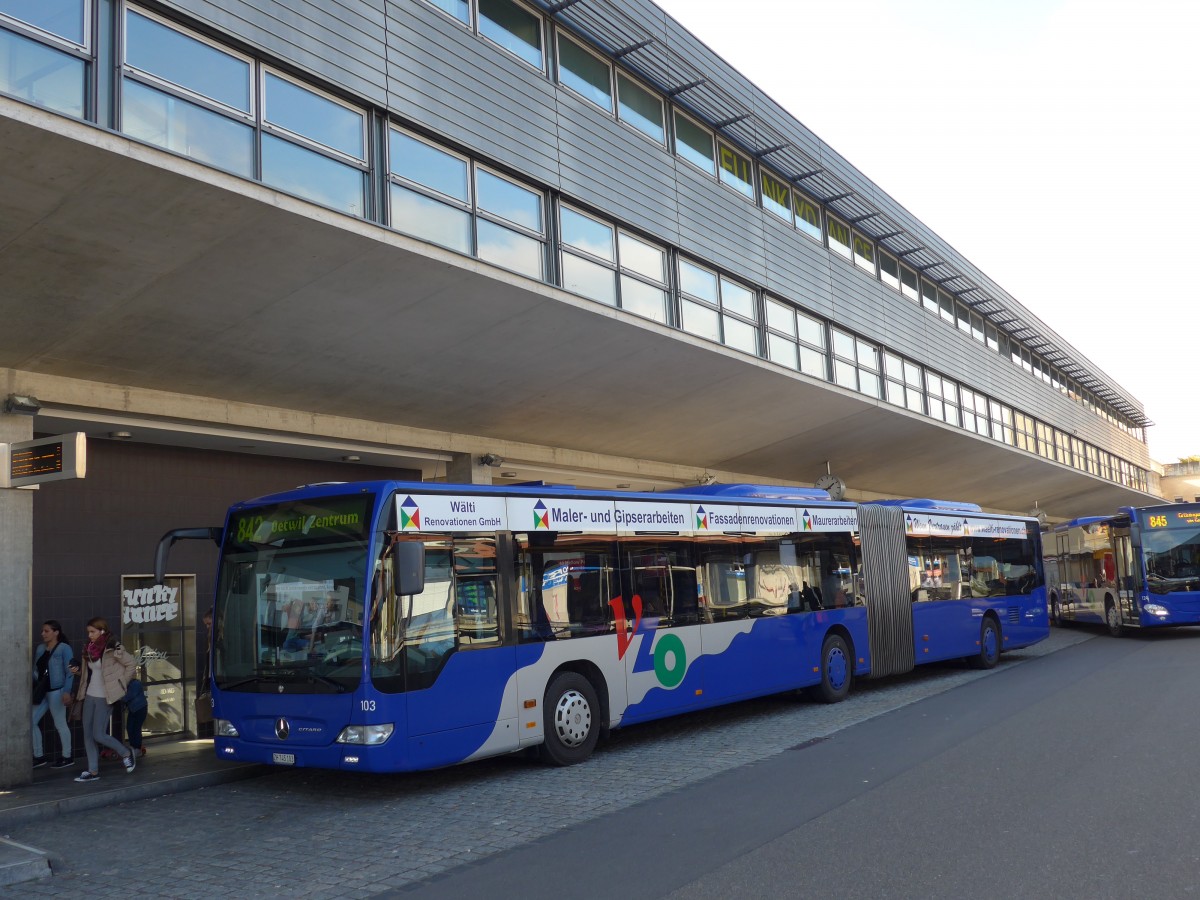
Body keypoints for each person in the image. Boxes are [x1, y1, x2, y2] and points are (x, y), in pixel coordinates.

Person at [70, 617, 138, 783]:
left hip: (106, 696)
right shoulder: (89, 649)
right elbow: (91, 673)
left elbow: (131, 664)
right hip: (89, 695)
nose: (90, 635)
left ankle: (126, 753)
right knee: (87, 734)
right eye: (88, 632)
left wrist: (122, 683)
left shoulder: (113, 647)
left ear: (102, 631)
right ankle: (93, 771)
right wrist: (78, 671)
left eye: (93, 631)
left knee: (98, 734)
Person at [32, 620, 75, 769]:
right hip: (43, 691)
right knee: (30, 721)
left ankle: (67, 757)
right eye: (42, 631)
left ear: (56, 632)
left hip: (57, 690)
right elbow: (35, 669)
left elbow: (70, 671)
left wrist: (67, 691)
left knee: (60, 724)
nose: (43, 633)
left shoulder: (64, 648)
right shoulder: (40, 649)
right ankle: (39, 756)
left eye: (46, 631)